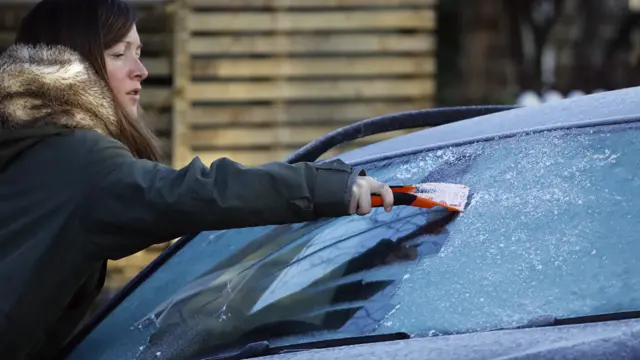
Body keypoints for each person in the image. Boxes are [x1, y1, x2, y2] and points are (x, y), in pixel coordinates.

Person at [0, 0, 395, 358]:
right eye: (119, 54)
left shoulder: (27, 144)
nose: (141, 71)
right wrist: (325, 187)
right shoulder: (77, 159)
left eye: (139, 52)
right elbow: (198, 194)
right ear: (76, 66)